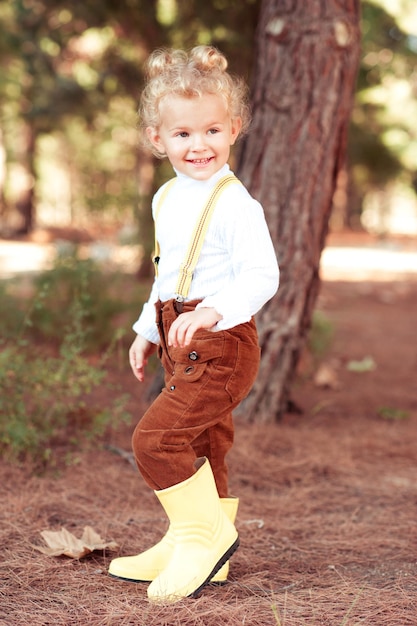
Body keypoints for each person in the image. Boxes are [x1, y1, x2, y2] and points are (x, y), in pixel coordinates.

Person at [109, 45, 279, 603]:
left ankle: (203, 536)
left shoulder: (236, 204)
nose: (198, 145)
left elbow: (261, 276)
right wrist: (147, 329)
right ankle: (194, 543)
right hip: (179, 336)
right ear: (158, 139)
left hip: (222, 341)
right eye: (182, 134)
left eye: (211, 130)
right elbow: (169, 274)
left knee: (157, 439)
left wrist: (212, 311)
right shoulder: (167, 196)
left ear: (234, 129)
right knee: (205, 442)